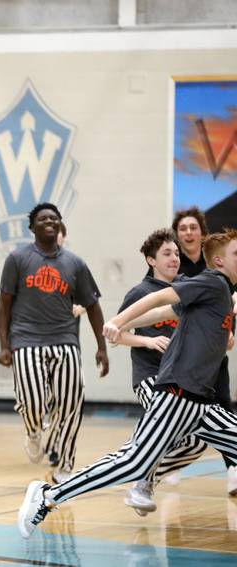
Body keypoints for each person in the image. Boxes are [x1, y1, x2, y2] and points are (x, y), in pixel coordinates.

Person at [18, 230, 237, 539]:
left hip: (202, 402)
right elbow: (160, 298)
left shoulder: (219, 295)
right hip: (177, 396)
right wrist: (117, 323)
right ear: (218, 260)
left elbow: (164, 313)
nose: (174, 258)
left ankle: (145, 479)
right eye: (236, 254)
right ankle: (48, 495)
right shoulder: (213, 282)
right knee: (133, 462)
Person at [0, 203, 109, 483]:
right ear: (32, 227)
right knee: (33, 402)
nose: (50, 221)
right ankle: (34, 431)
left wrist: (102, 347)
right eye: (43, 218)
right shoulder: (17, 259)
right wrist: (4, 344)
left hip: (65, 340)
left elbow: (93, 306)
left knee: (71, 404)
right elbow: (4, 305)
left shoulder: (75, 263)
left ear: (60, 225)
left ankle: (66, 464)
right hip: (26, 339)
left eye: (54, 218)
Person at [113, 228, 208, 515]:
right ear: (150, 260)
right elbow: (116, 334)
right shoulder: (140, 293)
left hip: (183, 380)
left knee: (197, 440)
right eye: (167, 253)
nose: (174, 258)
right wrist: (147, 340)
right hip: (150, 377)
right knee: (166, 427)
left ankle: (145, 477)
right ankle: (140, 472)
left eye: (177, 253)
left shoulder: (188, 288)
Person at [173, 207, 237, 494]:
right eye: (183, 228)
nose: (188, 233)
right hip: (181, 349)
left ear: (201, 232)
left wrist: (229, 329)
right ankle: (163, 462)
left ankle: (233, 468)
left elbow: (227, 302)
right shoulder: (173, 265)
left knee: (222, 400)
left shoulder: (220, 264)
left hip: (211, 348)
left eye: (193, 227)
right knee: (176, 411)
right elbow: (163, 301)